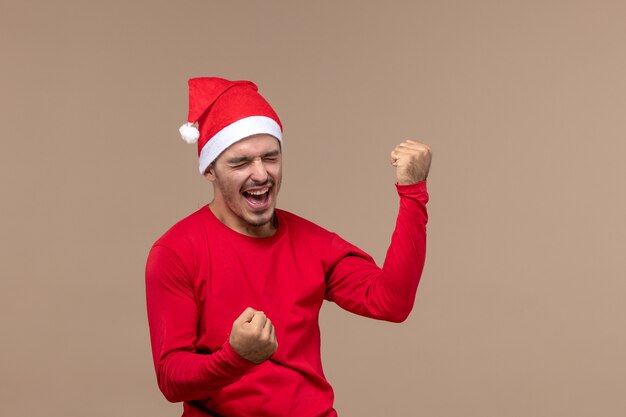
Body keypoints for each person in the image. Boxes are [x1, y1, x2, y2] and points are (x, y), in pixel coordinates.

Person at [145, 77, 432, 417]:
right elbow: (171, 379)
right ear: (210, 169)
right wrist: (234, 358)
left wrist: (412, 193)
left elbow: (392, 302)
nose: (261, 174)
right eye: (241, 162)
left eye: (271, 157)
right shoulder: (175, 252)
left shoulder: (313, 243)